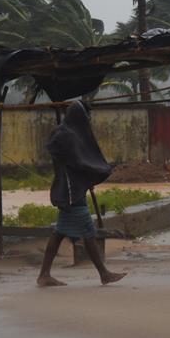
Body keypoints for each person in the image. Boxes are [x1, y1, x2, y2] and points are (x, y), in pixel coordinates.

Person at [37, 100, 126, 287]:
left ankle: (44, 274)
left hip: (72, 188)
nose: (88, 119)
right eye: (86, 115)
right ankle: (103, 273)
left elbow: (78, 159)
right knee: (86, 231)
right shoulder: (65, 134)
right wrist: (87, 172)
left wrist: (86, 177)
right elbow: (73, 159)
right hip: (70, 191)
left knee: (61, 232)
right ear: (79, 115)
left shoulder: (69, 132)